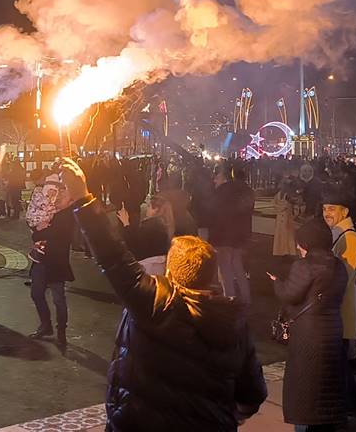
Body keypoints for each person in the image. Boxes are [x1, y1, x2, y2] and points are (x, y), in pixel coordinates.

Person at [59, 159, 267, 430]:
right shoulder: (234, 323)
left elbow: (112, 256)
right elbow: (252, 395)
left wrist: (83, 199)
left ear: (171, 269)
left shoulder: (154, 302)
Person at [270, 218, 349, 431]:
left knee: (305, 384)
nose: (297, 246)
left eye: (300, 242)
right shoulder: (339, 266)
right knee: (328, 382)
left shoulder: (304, 266)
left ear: (307, 243)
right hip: (332, 328)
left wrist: (277, 282)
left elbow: (290, 295)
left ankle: (306, 424)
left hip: (308, 333)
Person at [320, 189, 356, 416]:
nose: (326, 213)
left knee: (341, 363)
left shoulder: (349, 238)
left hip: (343, 307)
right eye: (325, 208)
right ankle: (349, 407)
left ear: (344, 211)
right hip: (340, 307)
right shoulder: (340, 234)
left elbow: (343, 279)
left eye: (332, 209)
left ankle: (348, 407)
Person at [28, 175, 75, 346]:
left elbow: (45, 234)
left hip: (56, 262)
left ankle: (61, 330)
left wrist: (38, 232)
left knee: (58, 299)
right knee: (36, 293)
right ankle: (46, 325)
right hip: (42, 259)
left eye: (62, 196)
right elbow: (36, 227)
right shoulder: (51, 210)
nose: (57, 198)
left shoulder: (66, 216)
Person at [211, 166, 256, 304]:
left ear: (225, 178)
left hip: (224, 236)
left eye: (217, 177)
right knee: (238, 267)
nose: (214, 180)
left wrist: (213, 238)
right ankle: (246, 296)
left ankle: (230, 297)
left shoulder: (220, 193)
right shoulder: (245, 191)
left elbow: (215, 217)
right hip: (239, 235)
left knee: (225, 270)